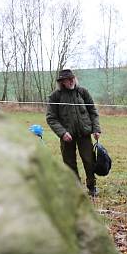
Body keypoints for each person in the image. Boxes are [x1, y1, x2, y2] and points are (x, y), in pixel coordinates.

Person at [45, 69, 102, 197]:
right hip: (66, 137)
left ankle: (92, 187)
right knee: (69, 163)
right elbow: (51, 118)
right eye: (67, 79)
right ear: (62, 82)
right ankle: (76, 189)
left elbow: (93, 111)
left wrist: (96, 129)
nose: (71, 81)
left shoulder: (83, 92)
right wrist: (63, 133)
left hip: (84, 134)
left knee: (89, 161)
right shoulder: (55, 96)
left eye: (72, 78)